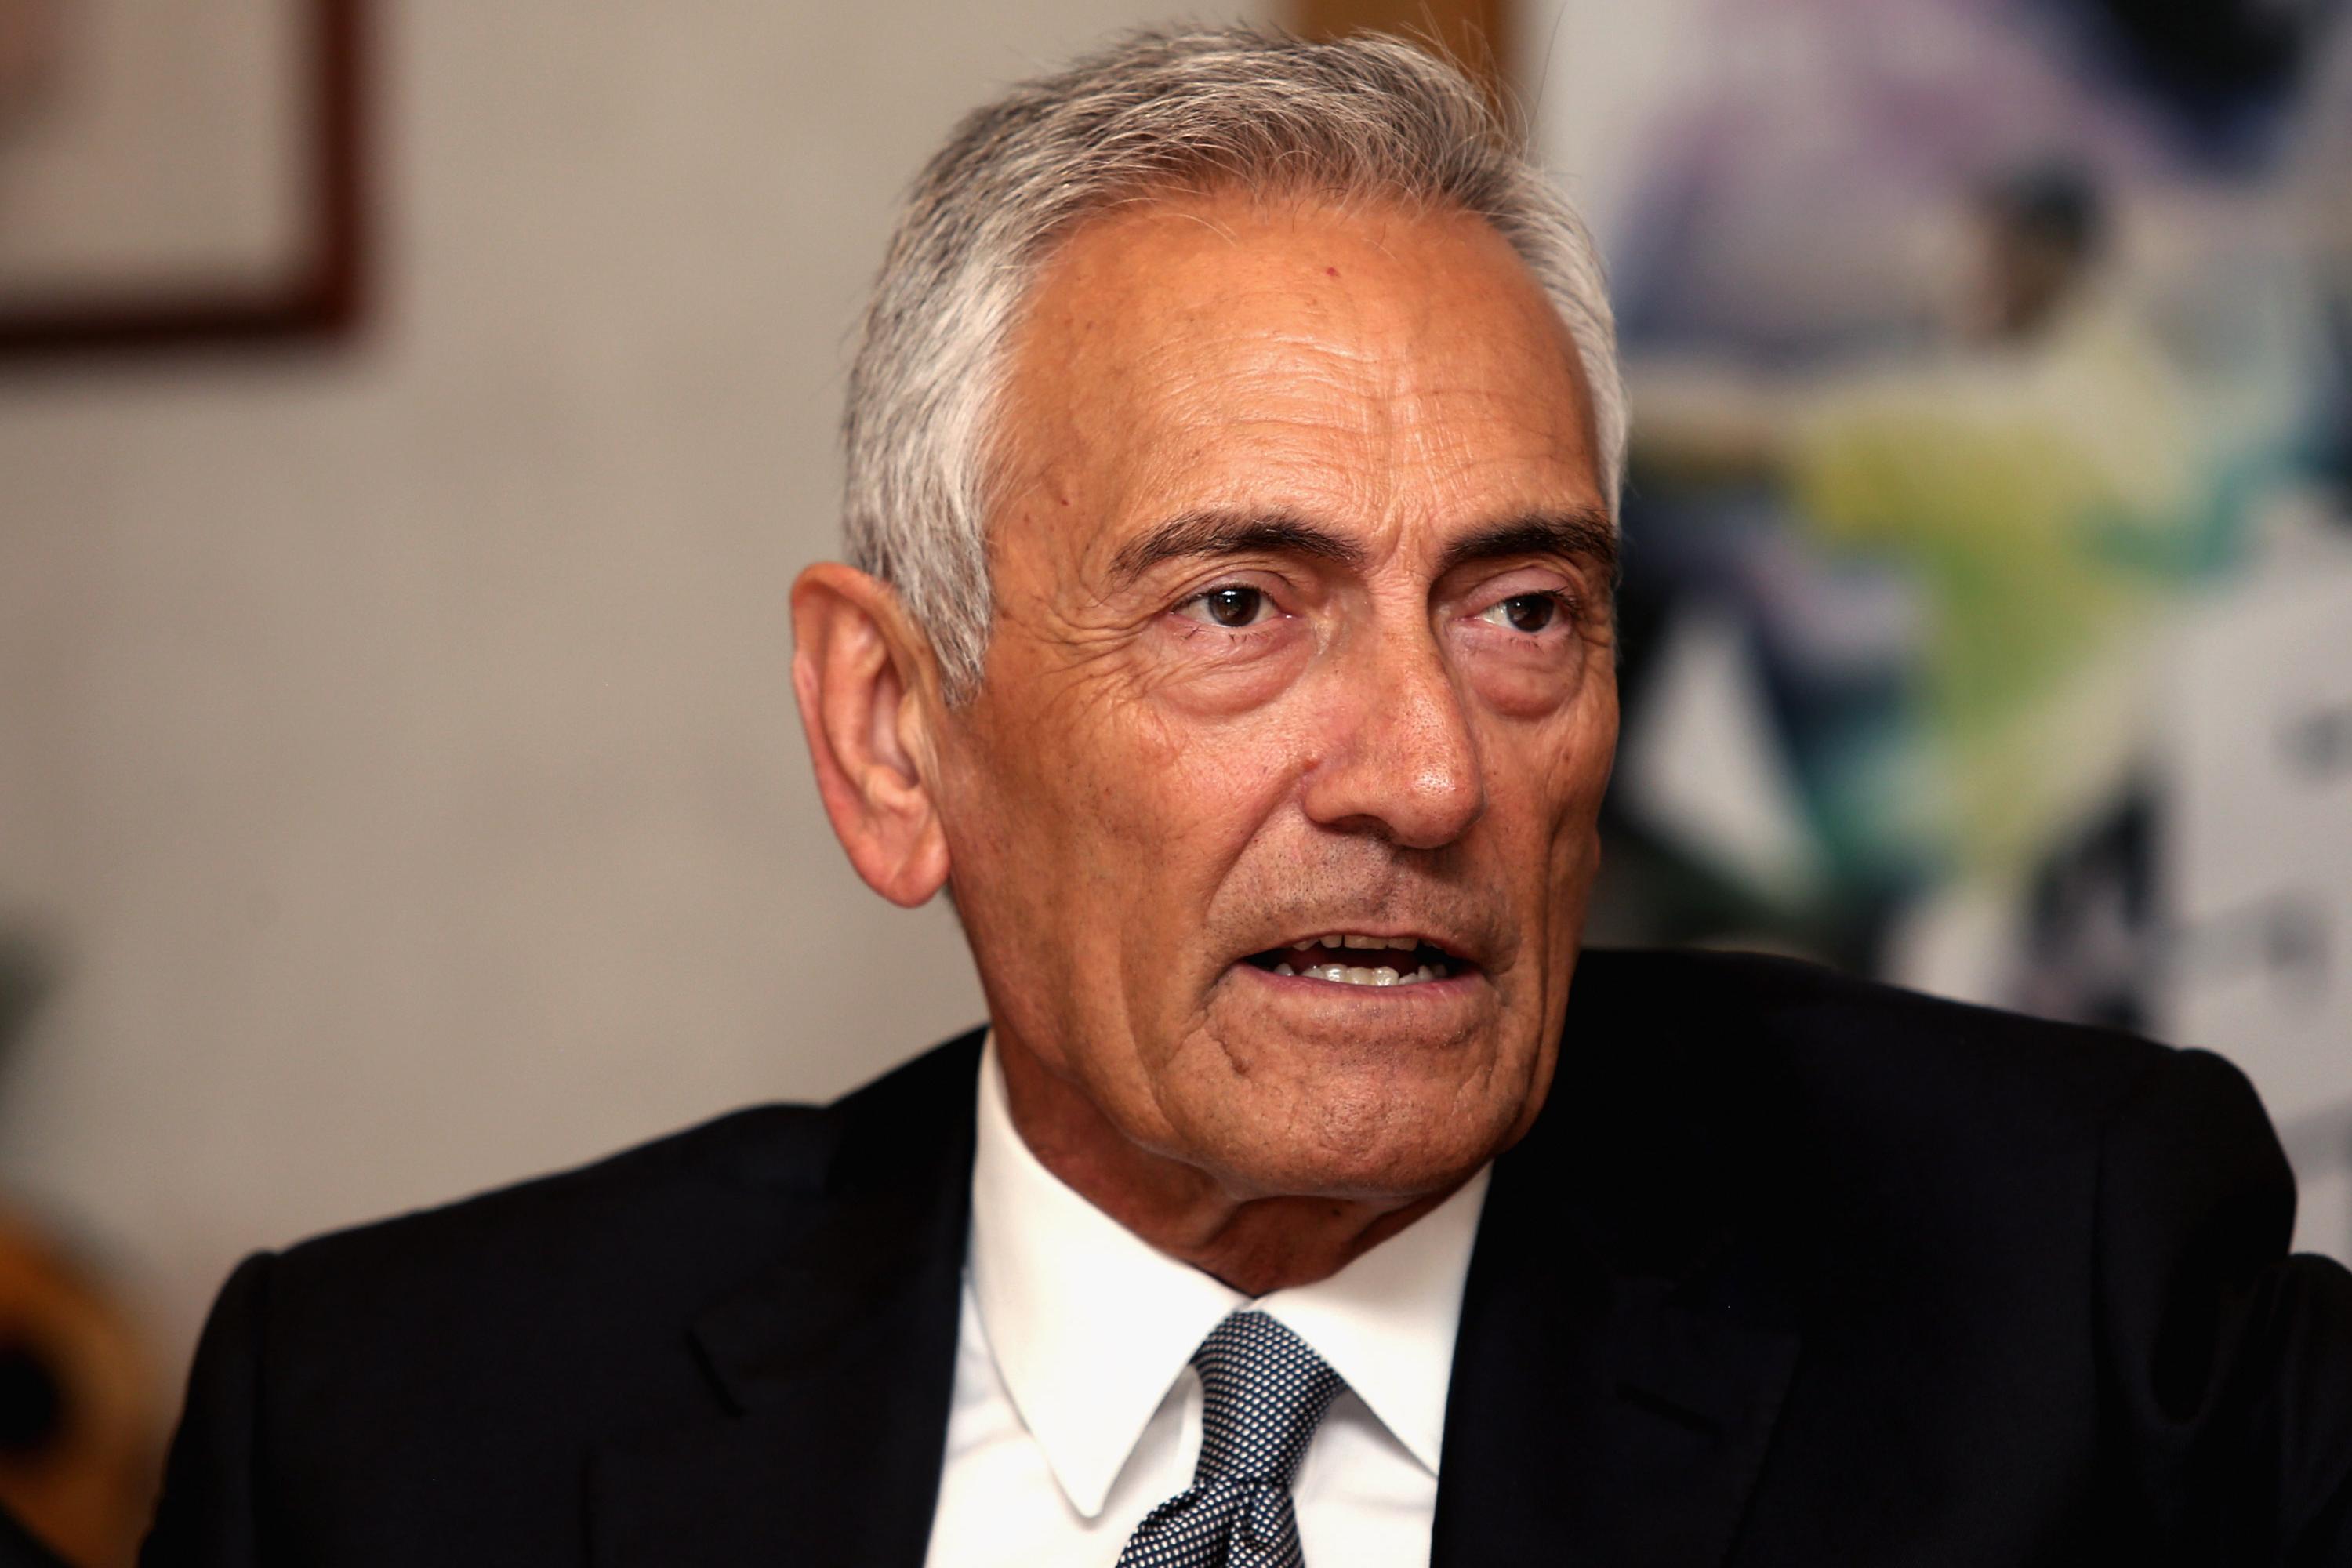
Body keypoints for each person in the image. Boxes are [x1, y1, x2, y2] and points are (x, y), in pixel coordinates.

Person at [142, 26, 2352, 1568]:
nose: (1421, 772)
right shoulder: (399, 1436)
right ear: (895, 733)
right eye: (1237, 605)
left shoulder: (2064, 1304)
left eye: (1518, 613)